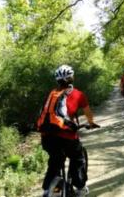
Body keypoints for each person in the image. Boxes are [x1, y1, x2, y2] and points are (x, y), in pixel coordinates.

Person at [37, 64, 99, 197]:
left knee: (55, 160)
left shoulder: (52, 94)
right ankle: (80, 188)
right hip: (68, 137)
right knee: (77, 158)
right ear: (72, 78)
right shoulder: (79, 94)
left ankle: (48, 189)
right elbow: (87, 112)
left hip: (47, 136)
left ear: (57, 80)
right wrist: (91, 122)